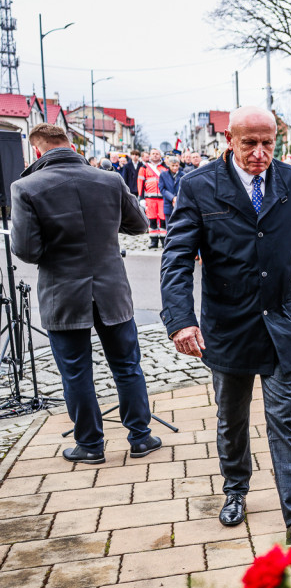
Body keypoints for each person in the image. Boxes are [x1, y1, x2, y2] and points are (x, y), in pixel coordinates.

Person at [160, 106, 291, 545]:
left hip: (285, 322)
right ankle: (235, 489)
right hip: (229, 325)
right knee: (231, 417)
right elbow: (177, 258)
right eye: (249, 143)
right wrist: (181, 320)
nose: (259, 153)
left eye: (267, 143)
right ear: (230, 140)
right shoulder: (198, 186)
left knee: (283, 416)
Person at [11, 123, 160, 464]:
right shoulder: (109, 180)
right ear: (71, 145)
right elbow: (139, 225)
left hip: (62, 292)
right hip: (111, 289)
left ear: (37, 151)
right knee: (127, 366)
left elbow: (27, 250)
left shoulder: (26, 187)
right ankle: (141, 437)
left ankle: (90, 445)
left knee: (76, 372)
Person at [137, 149, 168, 249]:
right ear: (150, 155)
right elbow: (140, 183)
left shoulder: (165, 167)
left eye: (157, 154)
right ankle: (153, 241)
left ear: (160, 155)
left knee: (163, 220)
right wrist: (141, 197)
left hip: (163, 198)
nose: (155, 155)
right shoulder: (144, 168)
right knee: (152, 220)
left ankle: (164, 241)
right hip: (150, 198)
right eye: (153, 154)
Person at [158, 156, 183, 222]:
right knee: (169, 224)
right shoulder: (163, 175)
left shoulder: (183, 175)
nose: (175, 167)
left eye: (176, 165)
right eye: (173, 165)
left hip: (180, 204)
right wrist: (172, 198)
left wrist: (177, 198)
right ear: (169, 165)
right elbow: (162, 189)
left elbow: (185, 189)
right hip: (168, 204)